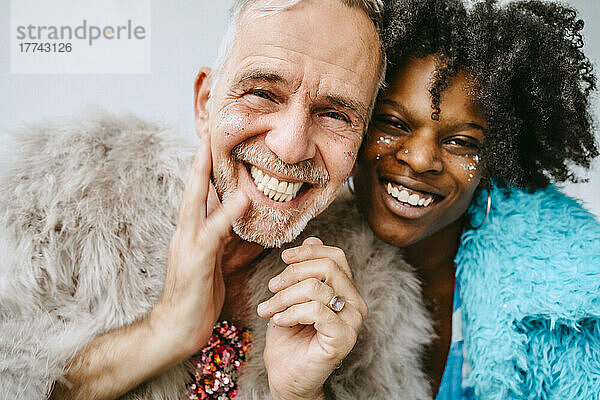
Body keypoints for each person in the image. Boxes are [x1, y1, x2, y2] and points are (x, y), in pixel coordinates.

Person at [0, 0, 387, 399]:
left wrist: (302, 395)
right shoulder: (53, 208)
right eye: (262, 92)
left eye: (336, 115)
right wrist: (162, 332)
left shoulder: (373, 298)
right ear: (206, 103)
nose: (290, 147)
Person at [349, 0, 600, 398]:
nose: (419, 159)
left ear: (496, 159)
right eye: (393, 123)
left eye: (462, 142)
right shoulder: (280, 255)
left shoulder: (571, 303)